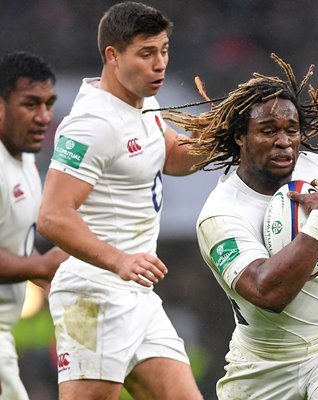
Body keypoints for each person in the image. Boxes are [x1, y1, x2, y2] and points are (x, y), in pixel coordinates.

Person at [162, 53, 318, 399]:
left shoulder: (314, 168)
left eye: (291, 130)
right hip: (264, 365)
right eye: (268, 131)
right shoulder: (220, 216)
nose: (284, 141)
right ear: (240, 137)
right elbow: (269, 293)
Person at [36, 2, 205, 399]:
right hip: (92, 296)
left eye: (163, 50)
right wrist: (120, 260)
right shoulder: (92, 124)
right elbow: (52, 216)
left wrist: (224, 140)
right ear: (113, 56)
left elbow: (173, 159)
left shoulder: (145, 103)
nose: (159, 63)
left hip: (137, 295)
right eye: (146, 54)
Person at [0, 51, 67, 400]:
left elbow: (16, 250)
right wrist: (41, 265)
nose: (44, 117)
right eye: (30, 104)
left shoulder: (26, 160)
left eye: (48, 104)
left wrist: (57, 280)